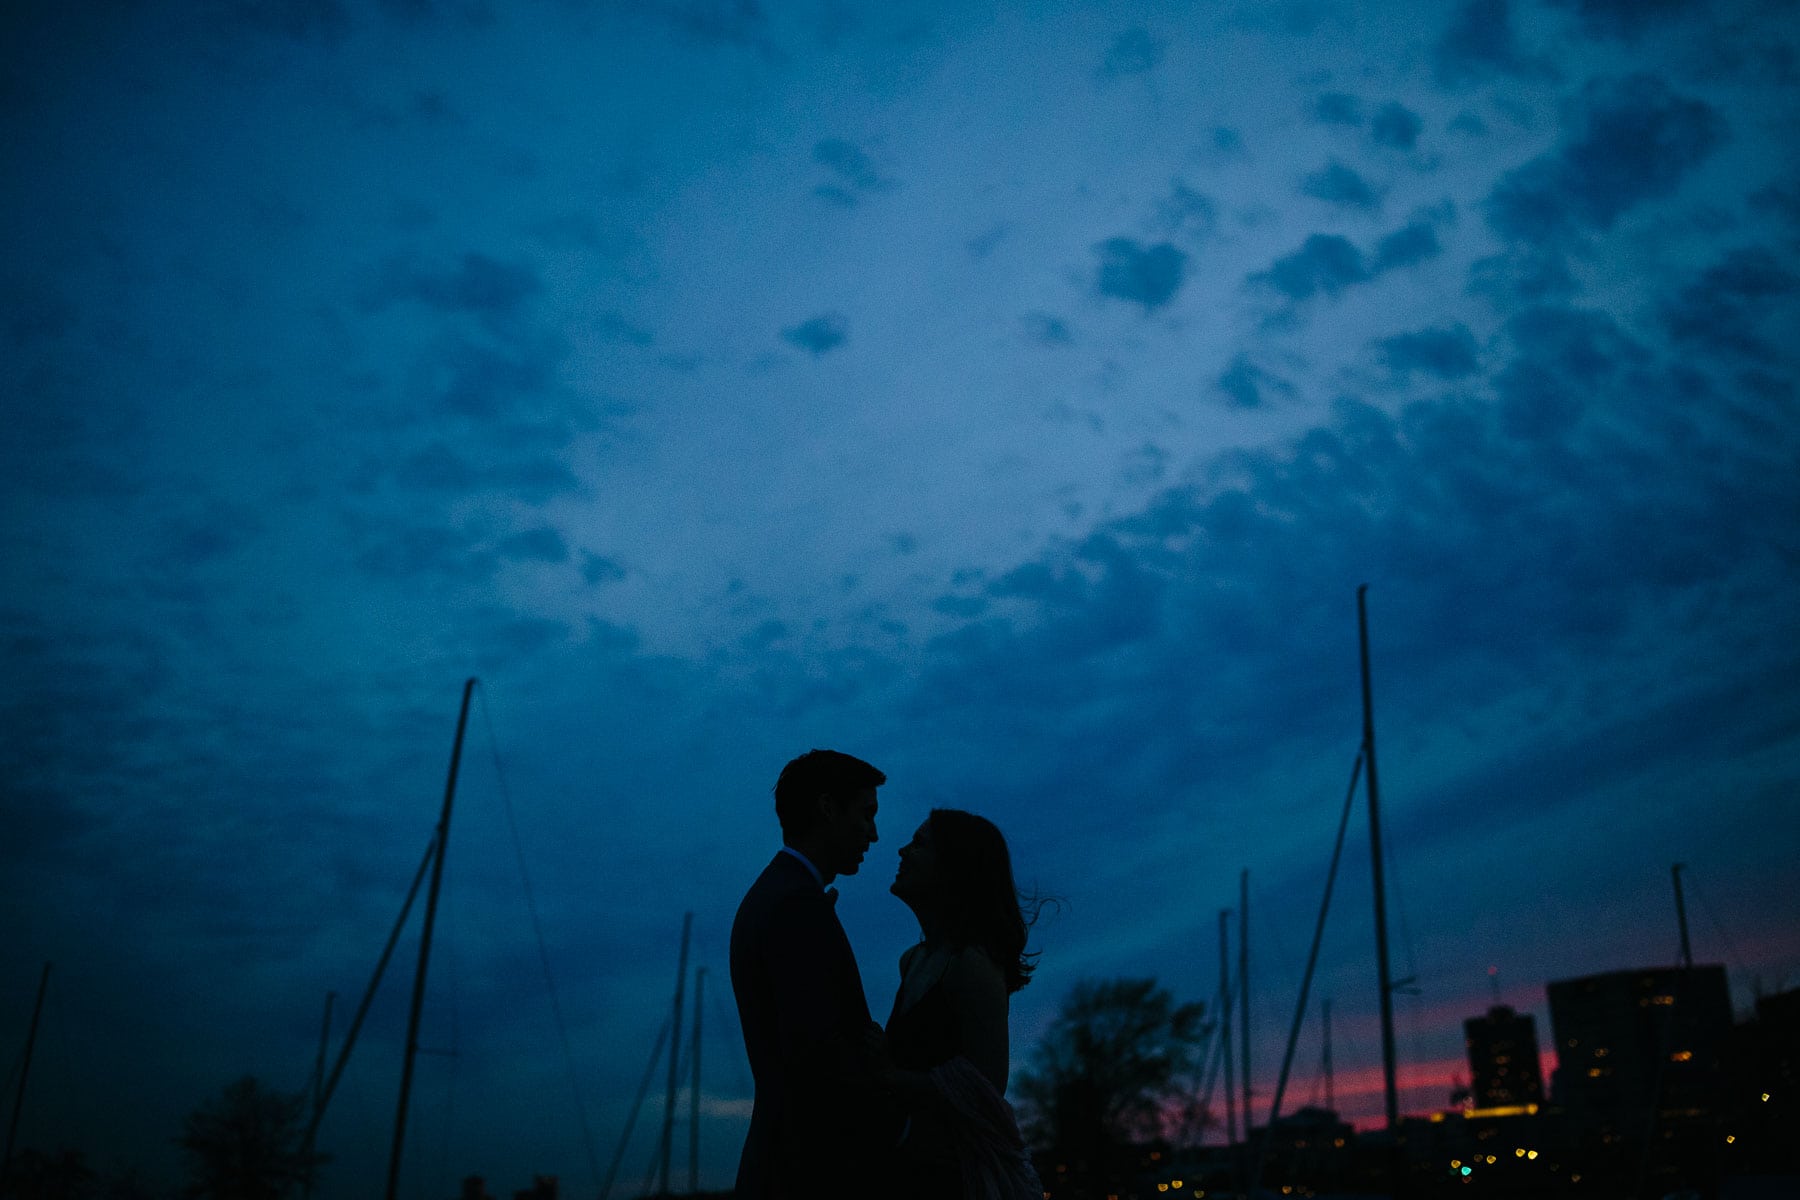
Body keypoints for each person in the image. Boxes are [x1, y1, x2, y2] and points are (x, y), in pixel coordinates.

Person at [729, 749, 896, 1200]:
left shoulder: (779, 896)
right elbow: (819, 1056)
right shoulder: (796, 905)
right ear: (827, 808)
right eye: (866, 814)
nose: (874, 834)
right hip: (810, 1170)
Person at [872, 808, 1044, 1200]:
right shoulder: (912, 961)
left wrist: (887, 1077)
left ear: (951, 867)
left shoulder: (971, 966)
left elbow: (985, 1086)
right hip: (908, 1171)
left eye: (918, 844)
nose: (902, 851)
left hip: (952, 1179)